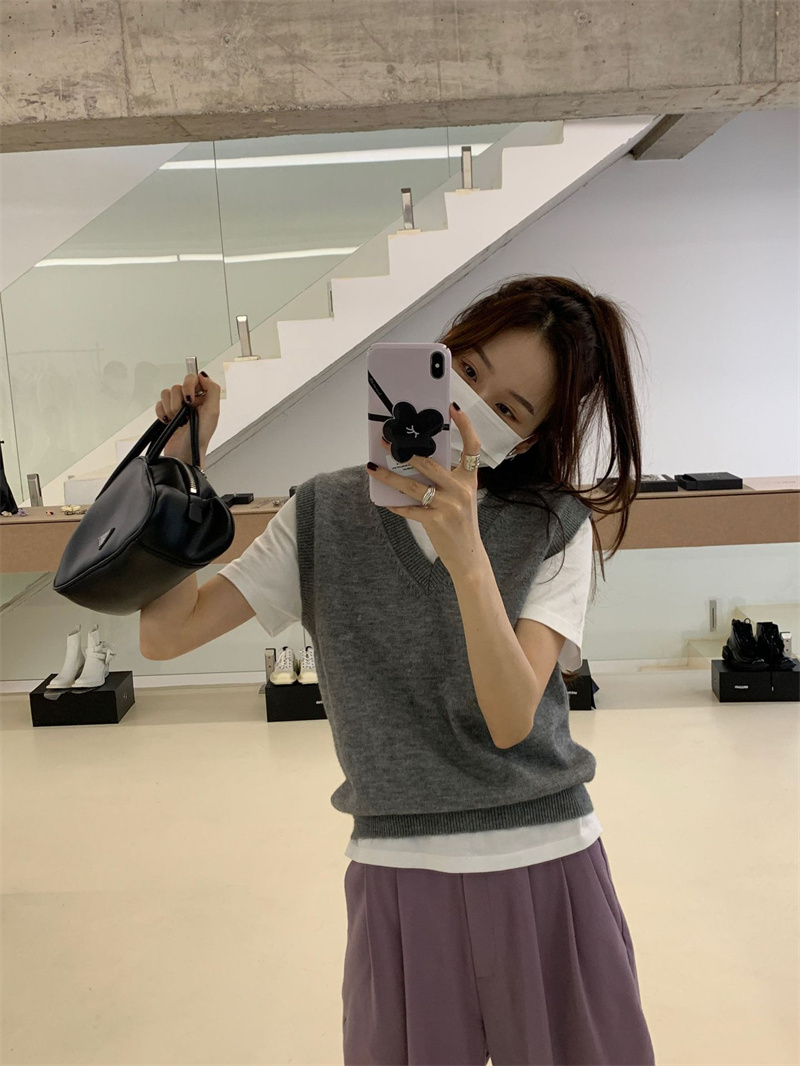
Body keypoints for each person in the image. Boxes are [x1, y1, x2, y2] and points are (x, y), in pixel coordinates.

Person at [141, 274, 656, 1065]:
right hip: (397, 870)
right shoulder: (321, 513)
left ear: (525, 440)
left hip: (547, 861)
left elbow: (511, 719)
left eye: (509, 408)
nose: (470, 405)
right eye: (467, 369)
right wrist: (179, 463)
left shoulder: (555, 525)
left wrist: (467, 553)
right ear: (435, 357)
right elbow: (167, 633)